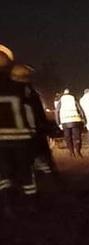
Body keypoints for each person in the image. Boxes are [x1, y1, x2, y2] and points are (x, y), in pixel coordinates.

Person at [0, 45, 45, 217]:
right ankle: (32, 205)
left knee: (3, 175)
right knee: (26, 173)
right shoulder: (20, 86)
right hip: (22, 138)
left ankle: (8, 205)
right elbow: (32, 109)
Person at [56, 88, 85, 158]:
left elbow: (56, 112)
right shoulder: (73, 98)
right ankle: (78, 152)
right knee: (77, 137)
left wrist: (58, 123)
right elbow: (80, 109)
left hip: (65, 122)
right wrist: (83, 118)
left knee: (68, 138)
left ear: (63, 93)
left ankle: (71, 153)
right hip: (75, 120)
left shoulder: (60, 100)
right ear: (69, 93)